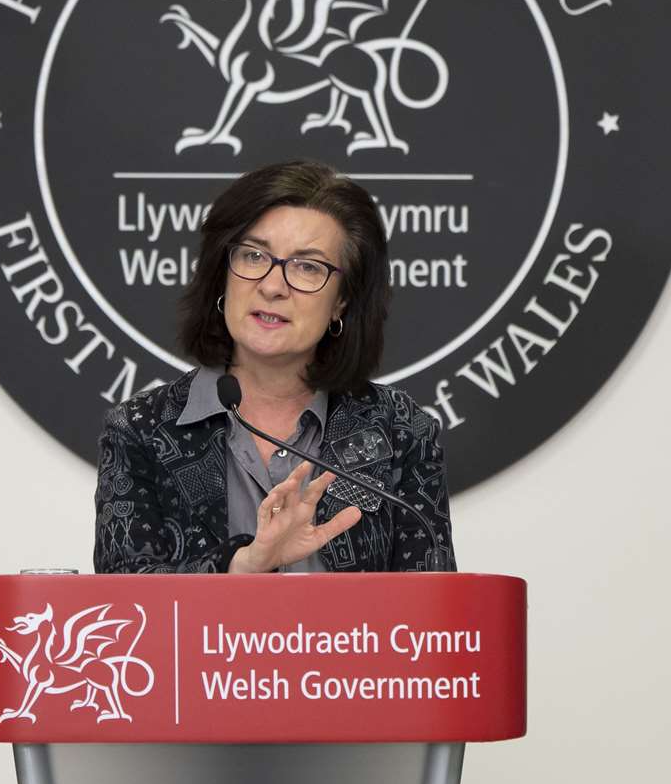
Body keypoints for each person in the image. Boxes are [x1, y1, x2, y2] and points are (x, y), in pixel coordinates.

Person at [93, 159, 455, 574]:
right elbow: (124, 606)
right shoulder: (140, 430)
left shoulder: (402, 431)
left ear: (342, 300)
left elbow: (433, 613)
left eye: (308, 267)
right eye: (253, 256)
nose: (271, 286)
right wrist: (241, 568)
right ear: (221, 277)